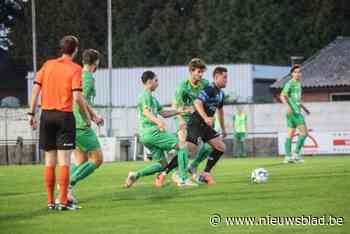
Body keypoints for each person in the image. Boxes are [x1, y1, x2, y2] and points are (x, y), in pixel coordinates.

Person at [28, 35, 91, 210]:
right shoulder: (76, 69)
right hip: (64, 117)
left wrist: (31, 113)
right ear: (76, 50)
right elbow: (78, 97)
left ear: (61, 49)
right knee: (64, 161)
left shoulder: (48, 65)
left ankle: (50, 202)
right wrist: (87, 116)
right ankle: (63, 201)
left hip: (46, 116)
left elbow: (35, 90)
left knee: (49, 160)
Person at [123, 70, 197, 188]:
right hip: (152, 132)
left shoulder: (152, 98)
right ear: (149, 82)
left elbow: (163, 113)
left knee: (163, 165)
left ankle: (136, 174)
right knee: (182, 146)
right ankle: (183, 179)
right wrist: (159, 122)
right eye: (156, 80)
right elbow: (146, 112)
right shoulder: (145, 95)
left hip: (145, 136)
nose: (158, 83)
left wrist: (180, 111)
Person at [156, 58, 213, 186]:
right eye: (199, 71)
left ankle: (190, 167)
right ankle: (177, 176)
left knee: (210, 146)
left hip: (199, 121)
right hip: (185, 121)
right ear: (191, 71)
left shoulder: (204, 84)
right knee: (185, 149)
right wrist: (181, 120)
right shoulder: (183, 87)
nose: (201, 74)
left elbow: (210, 98)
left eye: (202, 72)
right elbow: (175, 106)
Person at [68, 49, 104, 203]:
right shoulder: (88, 77)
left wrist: (93, 115)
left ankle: (65, 193)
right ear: (96, 62)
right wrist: (92, 117)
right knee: (97, 159)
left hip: (70, 122)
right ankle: (67, 184)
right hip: (80, 124)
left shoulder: (76, 74)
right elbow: (80, 98)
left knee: (81, 161)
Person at [185, 66, 228, 185]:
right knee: (188, 149)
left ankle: (205, 173)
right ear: (216, 77)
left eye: (227, 78)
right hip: (197, 122)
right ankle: (169, 172)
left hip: (206, 126)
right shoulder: (209, 89)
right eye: (224, 77)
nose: (226, 80)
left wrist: (223, 129)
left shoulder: (221, 94)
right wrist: (205, 117)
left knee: (220, 147)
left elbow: (221, 112)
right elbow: (197, 102)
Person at [280, 64, 310, 163]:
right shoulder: (290, 83)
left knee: (290, 134)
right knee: (304, 133)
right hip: (294, 112)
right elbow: (282, 95)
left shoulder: (298, 84)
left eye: (299, 72)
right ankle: (296, 154)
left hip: (294, 112)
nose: (298, 74)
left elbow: (296, 100)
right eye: (295, 72)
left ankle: (288, 157)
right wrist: (288, 106)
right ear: (292, 74)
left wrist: (304, 108)